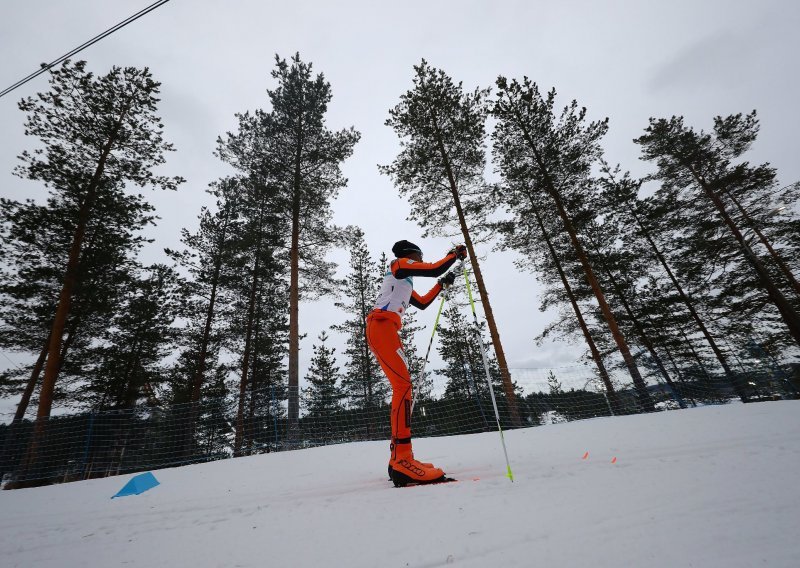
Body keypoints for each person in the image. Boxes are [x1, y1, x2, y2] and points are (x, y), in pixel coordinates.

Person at [366, 239, 468, 486]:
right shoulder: (399, 266)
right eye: (418, 256)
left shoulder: (404, 282)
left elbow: (421, 303)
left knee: (403, 386)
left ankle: (399, 458)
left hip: (386, 328)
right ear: (410, 254)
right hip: (381, 327)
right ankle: (402, 459)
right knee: (403, 386)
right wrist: (453, 255)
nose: (420, 260)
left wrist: (441, 285)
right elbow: (433, 268)